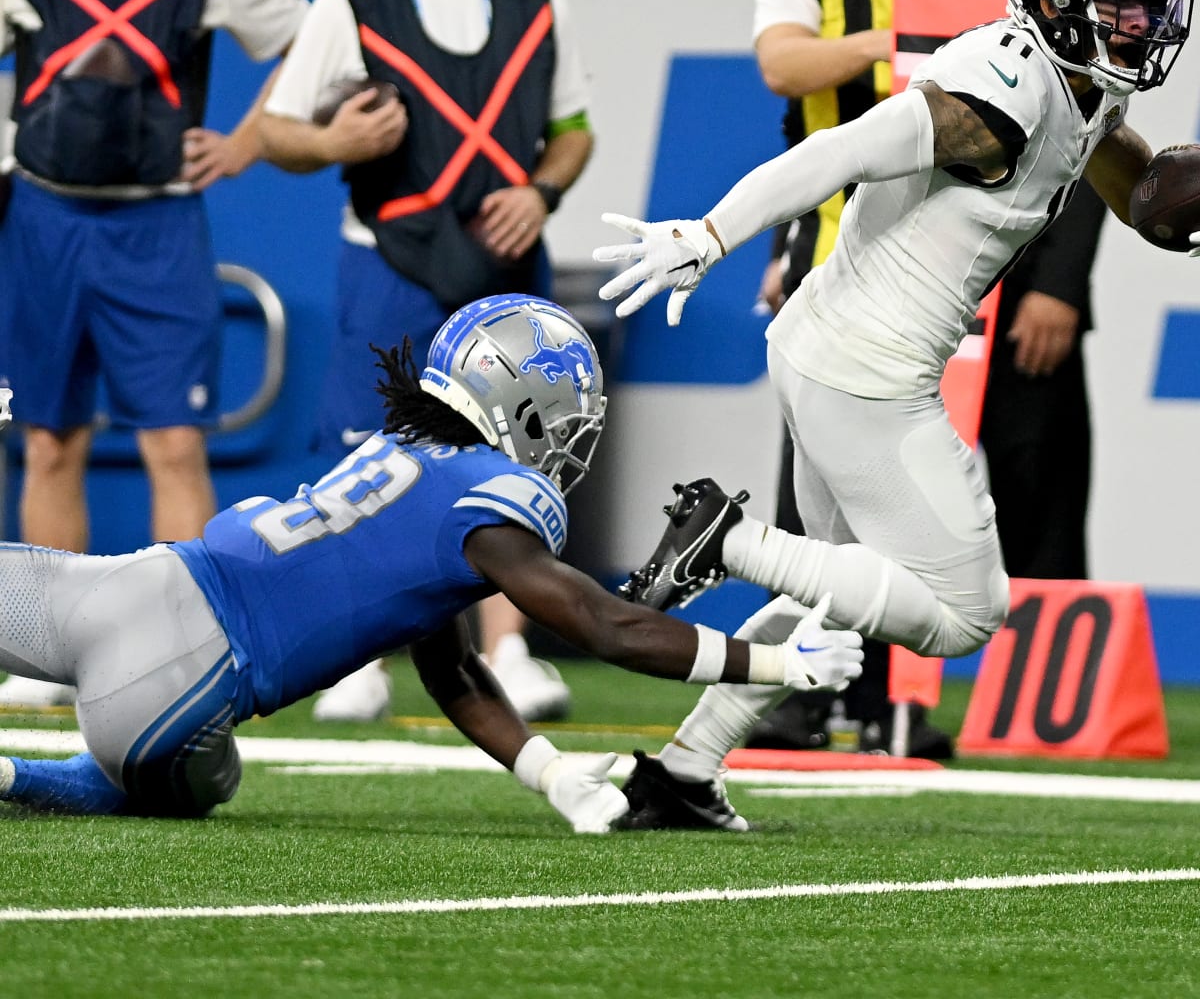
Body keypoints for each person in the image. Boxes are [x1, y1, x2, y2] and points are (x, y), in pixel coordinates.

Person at [593, 0, 1193, 828]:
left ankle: (683, 770)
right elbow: (839, 150)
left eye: (1147, 6)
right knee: (963, 613)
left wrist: (1175, 198)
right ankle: (728, 540)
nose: (1140, 25)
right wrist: (710, 235)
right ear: (1057, 2)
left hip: (837, 350)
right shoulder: (999, 98)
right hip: (867, 372)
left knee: (837, 590)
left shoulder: (1083, 80)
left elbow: (1132, 183)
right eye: (1120, 5)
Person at [0, 293, 864, 828]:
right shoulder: (488, 500)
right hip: (174, 688)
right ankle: (17, 778)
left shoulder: (400, 449)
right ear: (526, 411)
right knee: (191, 783)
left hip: (127, 586)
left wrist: (550, 772)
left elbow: (449, 662)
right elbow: (605, 624)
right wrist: (780, 660)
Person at [259, 0, 593, 724]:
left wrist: (541, 189)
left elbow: (574, 128)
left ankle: (510, 651)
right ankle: (354, 658)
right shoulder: (351, 3)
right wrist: (336, 143)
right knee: (365, 458)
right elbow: (278, 130)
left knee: (510, 459)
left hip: (505, 261)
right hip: (389, 260)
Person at [0, 0, 308, 708]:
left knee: (176, 444)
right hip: (44, 222)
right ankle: (49, 662)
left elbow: (311, 43)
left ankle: (187, 656)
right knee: (50, 442)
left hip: (159, 228)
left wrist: (245, 142)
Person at [744, 0, 948, 756]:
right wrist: (885, 46)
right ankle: (796, 682)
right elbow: (781, 63)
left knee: (917, 475)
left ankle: (886, 698)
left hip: (946, 250)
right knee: (812, 482)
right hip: (831, 247)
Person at [978, 180, 1107, 580]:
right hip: (891, 293)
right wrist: (800, 245)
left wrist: (1058, 280)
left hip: (1019, 297)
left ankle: (1051, 642)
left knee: (1040, 517)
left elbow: (1094, 130)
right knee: (870, 519)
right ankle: (849, 644)